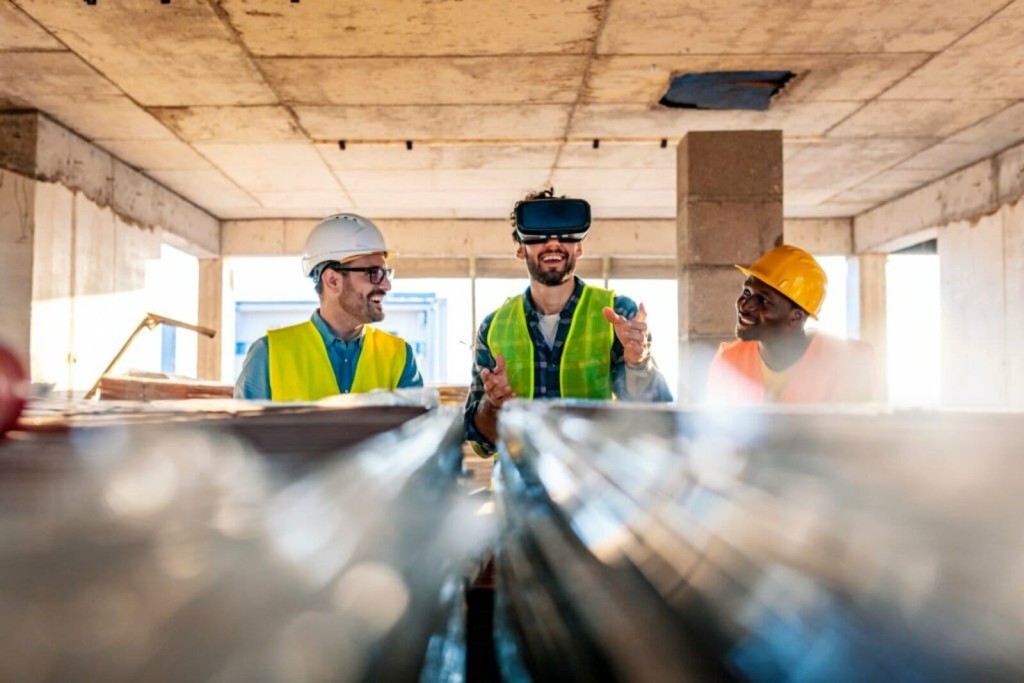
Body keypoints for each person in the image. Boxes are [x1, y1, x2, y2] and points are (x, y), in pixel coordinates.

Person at [464, 189, 673, 453]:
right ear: (520, 249)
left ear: (580, 246)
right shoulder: (493, 327)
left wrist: (638, 363)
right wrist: (493, 404)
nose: (553, 243)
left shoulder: (618, 314)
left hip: (593, 483)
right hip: (521, 484)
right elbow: (482, 444)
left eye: (565, 234)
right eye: (539, 235)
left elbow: (652, 417)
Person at [234, 213, 422, 400]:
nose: (386, 285)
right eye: (374, 273)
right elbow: (240, 429)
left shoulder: (400, 355)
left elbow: (419, 428)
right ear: (333, 280)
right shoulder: (268, 354)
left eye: (386, 273)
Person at [706, 244, 875, 404]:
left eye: (764, 300)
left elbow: (860, 431)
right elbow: (714, 431)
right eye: (747, 292)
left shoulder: (850, 363)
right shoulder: (728, 361)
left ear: (796, 316)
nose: (744, 305)